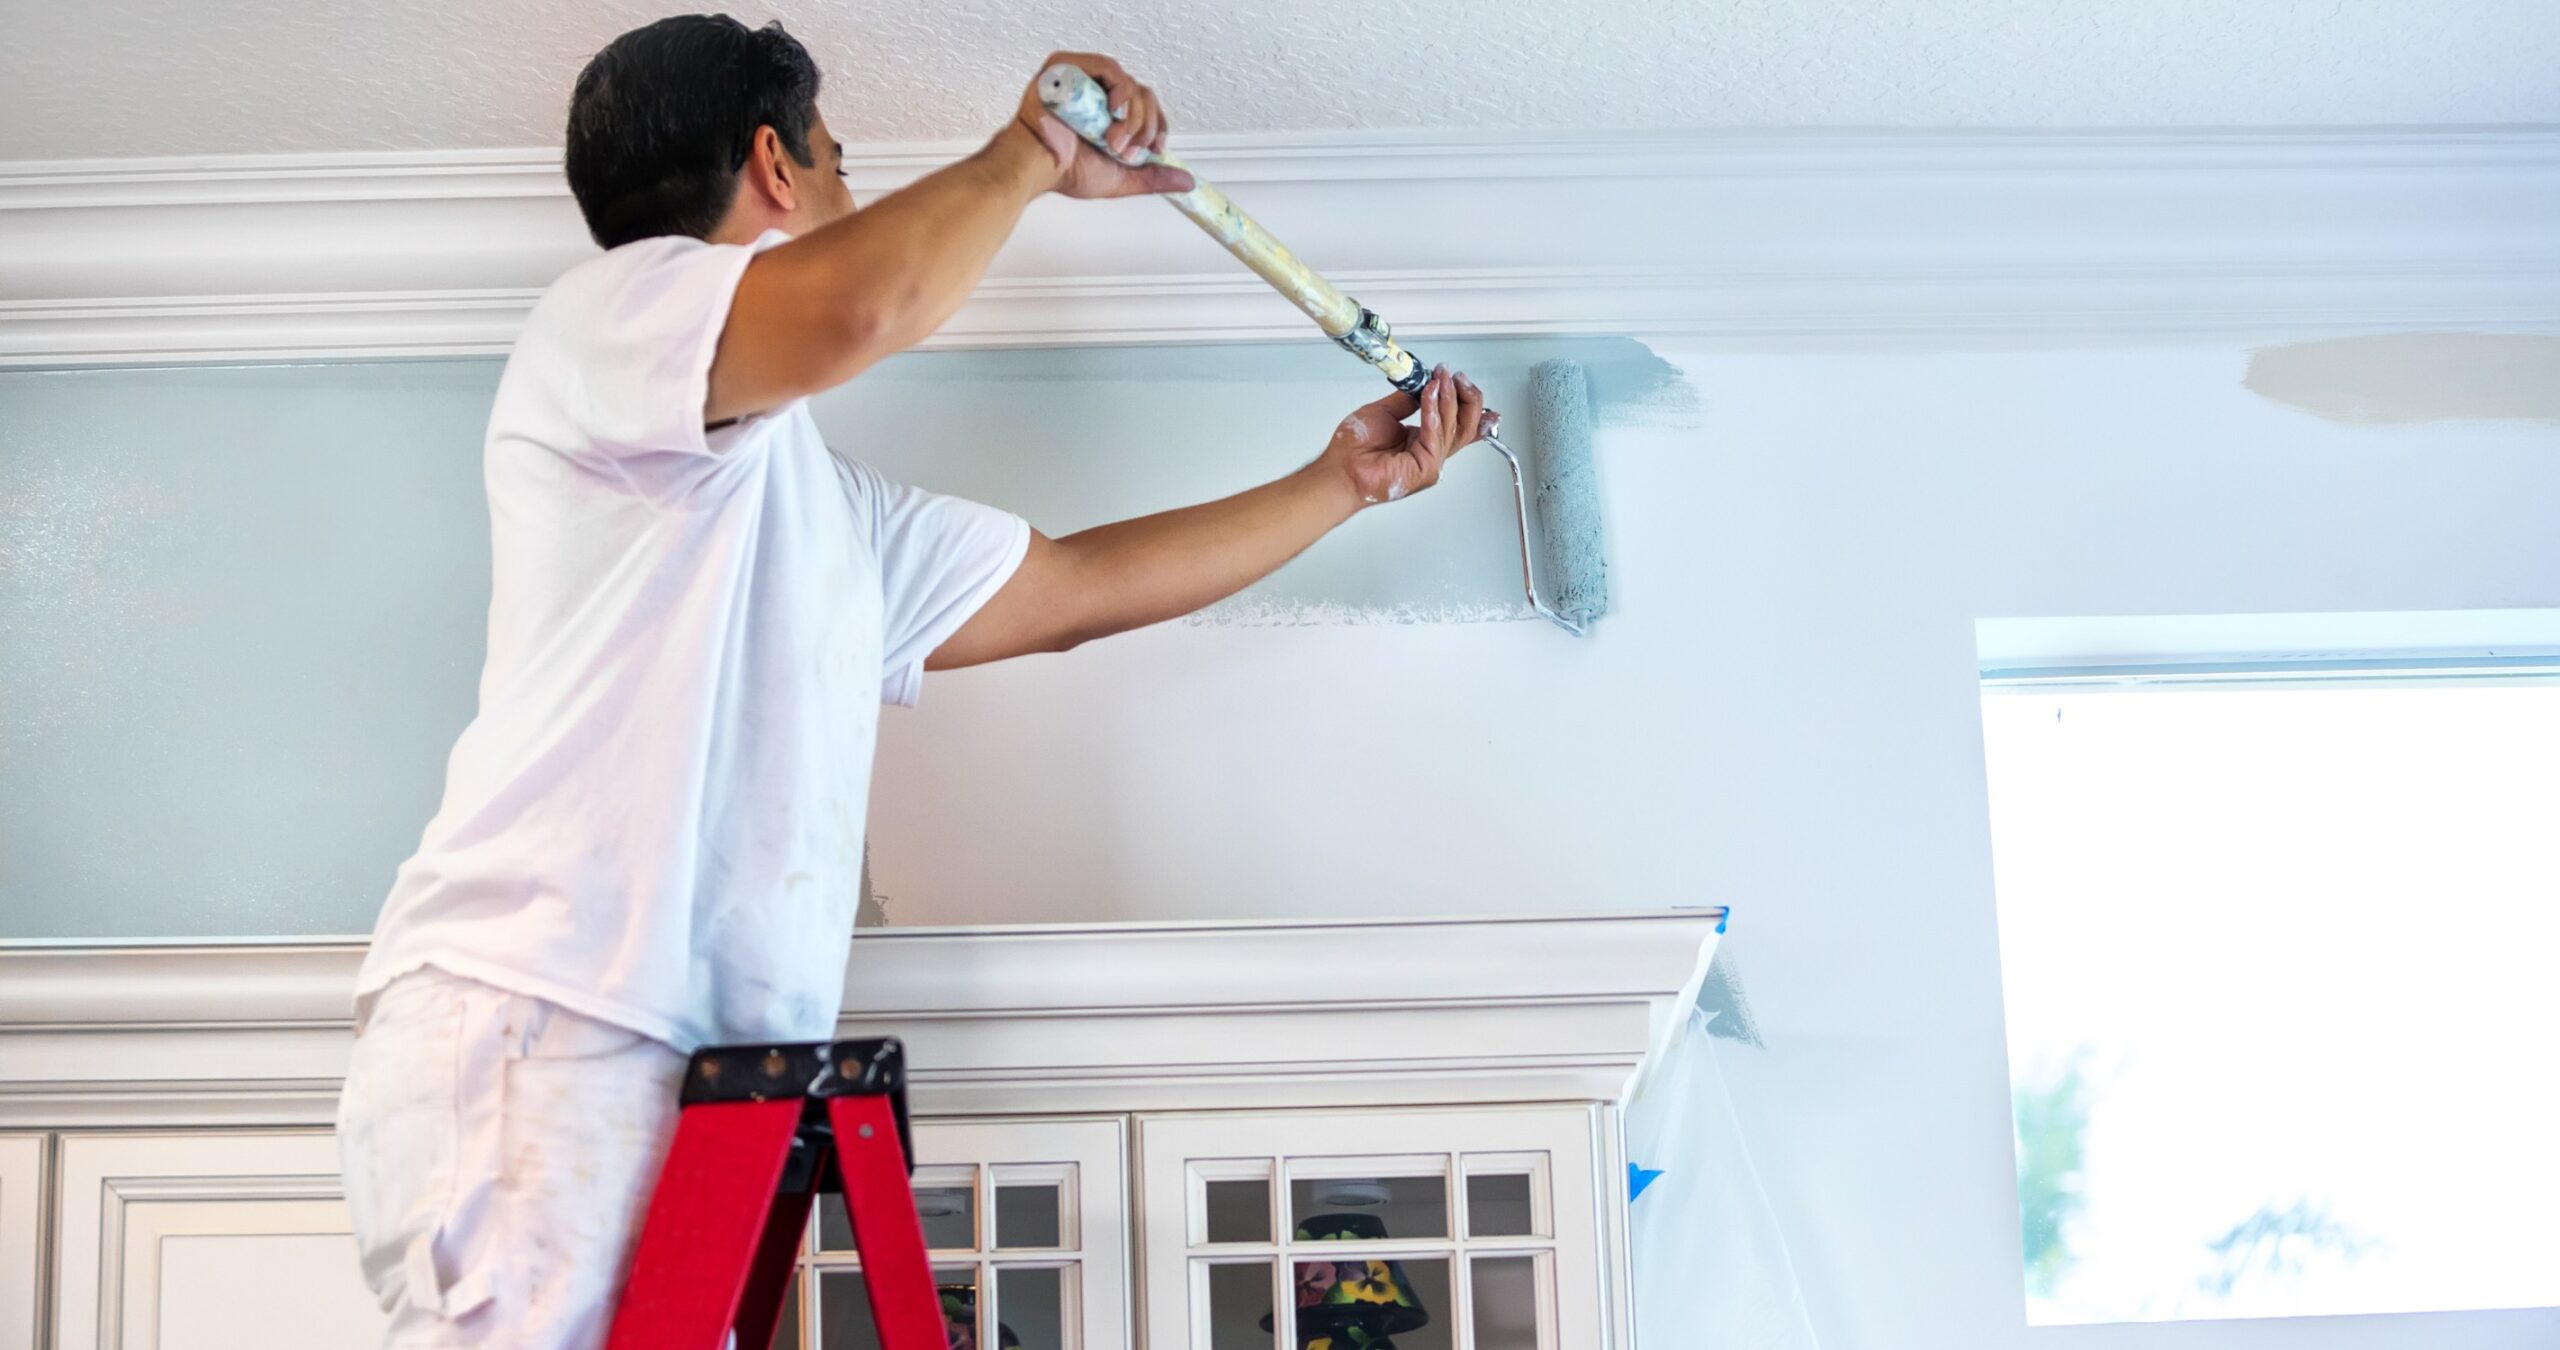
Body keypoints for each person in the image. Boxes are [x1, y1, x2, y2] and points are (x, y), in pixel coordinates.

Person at [334, 14, 1485, 1348]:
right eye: (838, 161)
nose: (850, 194)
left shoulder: (820, 515)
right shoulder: (603, 323)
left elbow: (1071, 590)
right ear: (773, 165)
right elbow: (863, 303)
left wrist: (1341, 483)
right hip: (551, 1020)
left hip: (693, 1077)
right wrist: (1032, 152)